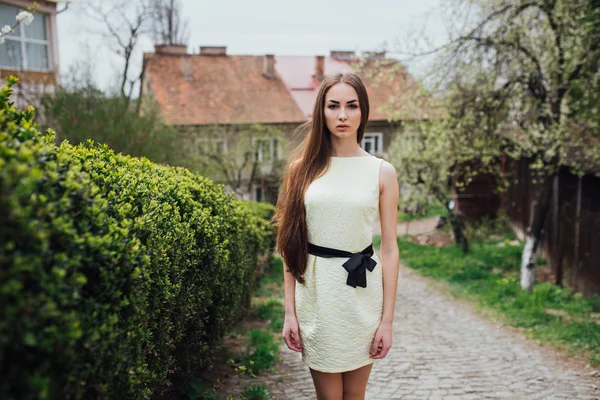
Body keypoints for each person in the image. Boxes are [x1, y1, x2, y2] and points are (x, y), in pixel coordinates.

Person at [272, 72, 400, 400]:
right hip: (316, 297)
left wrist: (387, 320)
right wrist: (290, 312)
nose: (342, 115)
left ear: (363, 112)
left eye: (351, 106)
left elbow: (389, 249)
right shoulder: (300, 170)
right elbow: (290, 245)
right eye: (333, 106)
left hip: (361, 298)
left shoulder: (382, 171)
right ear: (322, 112)